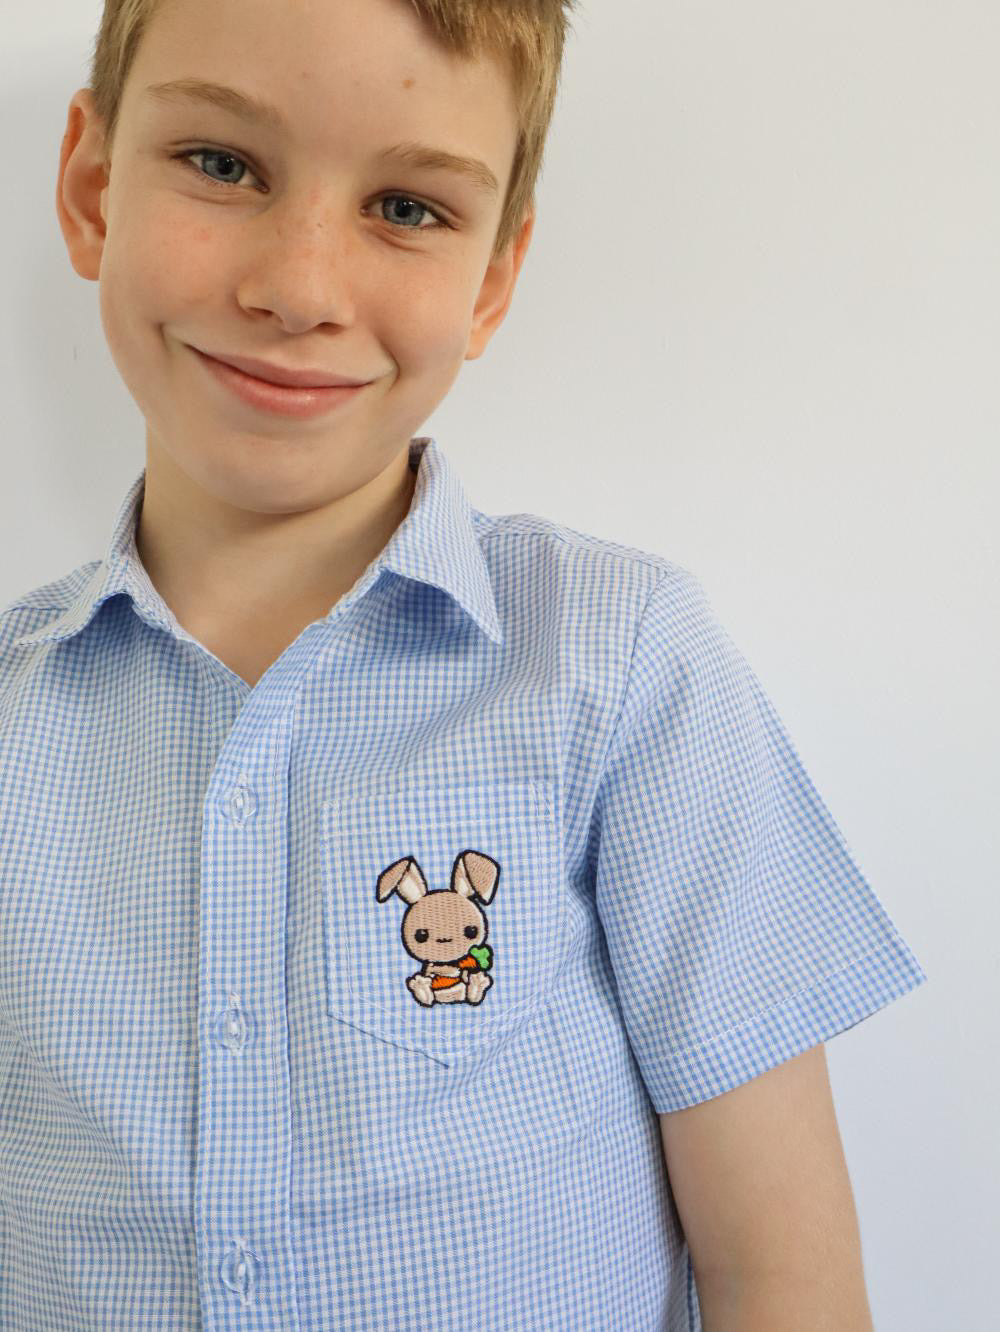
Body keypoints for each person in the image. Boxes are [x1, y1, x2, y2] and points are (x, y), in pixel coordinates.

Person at [0, 0, 926, 1328]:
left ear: (493, 277)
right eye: (222, 164)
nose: (300, 288)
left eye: (408, 208)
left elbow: (781, 1275)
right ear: (91, 193)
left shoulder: (620, 666)